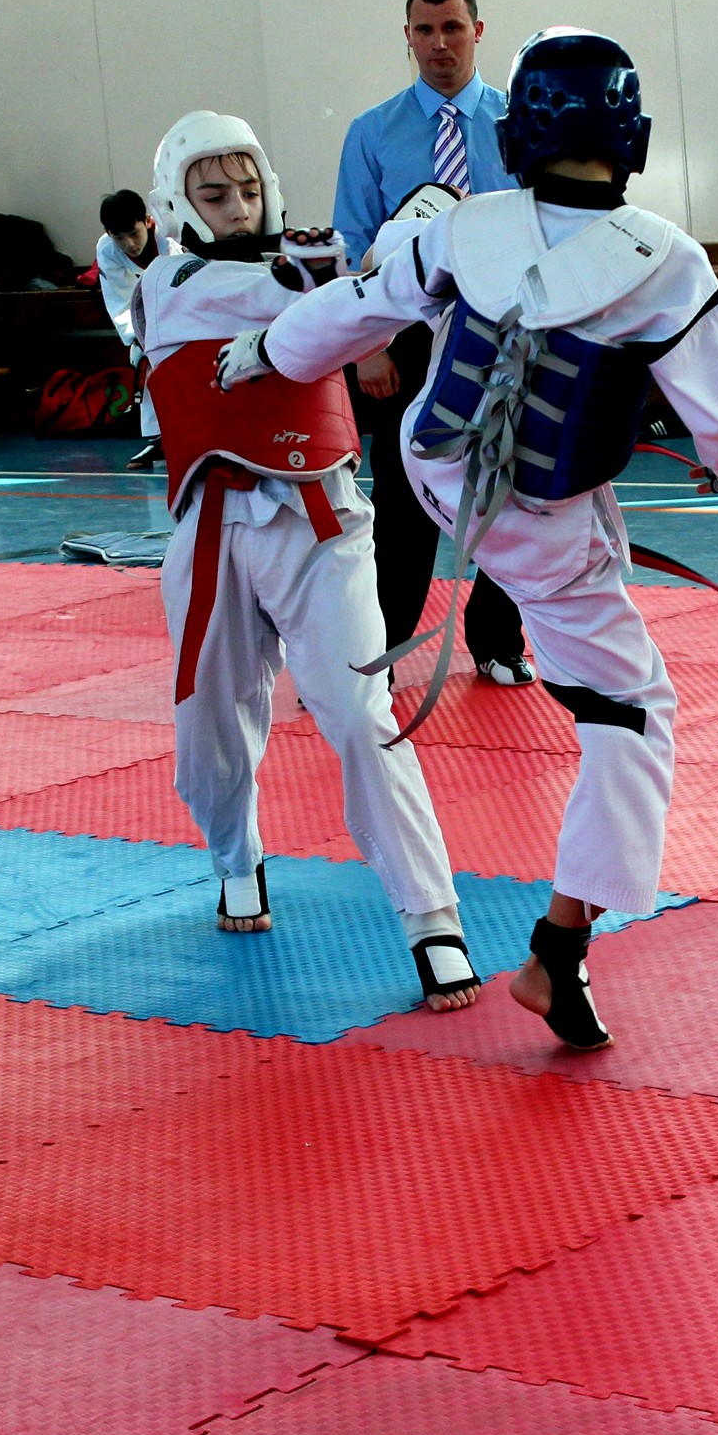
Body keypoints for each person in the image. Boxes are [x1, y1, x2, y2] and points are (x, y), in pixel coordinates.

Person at [224, 29, 718, 1051]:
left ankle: (556, 945)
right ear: (633, 138)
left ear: (518, 133)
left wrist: (266, 348)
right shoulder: (666, 261)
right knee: (633, 714)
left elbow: (357, 305)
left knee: (573, 606)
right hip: (537, 519)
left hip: (435, 465)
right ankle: (556, 955)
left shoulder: (465, 226)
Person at [132, 109, 479, 1012]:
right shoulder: (168, 281)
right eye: (215, 193)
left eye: (250, 189)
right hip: (212, 528)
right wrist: (368, 272)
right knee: (208, 731)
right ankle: (235, 856)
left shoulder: (321, 272)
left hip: (324, 523)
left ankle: (432, 919)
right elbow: (290, 312)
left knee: (364, 714)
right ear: (181, 204)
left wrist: (392, 267)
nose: (238, 206)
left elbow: (361, 328)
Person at [333, 0, 535, 688]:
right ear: (408, 37)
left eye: (452, 28)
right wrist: (369, 348)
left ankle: (497, 638)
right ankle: (383, 653)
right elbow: (352, 248)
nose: (439, 43)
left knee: (513, 491)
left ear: (477, 31)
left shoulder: (521, 121)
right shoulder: (372, 132)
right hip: (410, 337)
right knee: (402, 501)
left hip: (510, 331)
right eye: (425, 30)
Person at [95, 188, 166, 470]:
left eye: (134, 233)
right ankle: (158, 438)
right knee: (145, 359)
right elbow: (121, 299)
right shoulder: (107, 249)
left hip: (189, 304)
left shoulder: (169, 237)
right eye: (119, 237)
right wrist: (138, 338)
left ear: (147, 221)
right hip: (148, 309)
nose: (129, 244)